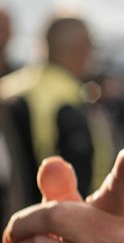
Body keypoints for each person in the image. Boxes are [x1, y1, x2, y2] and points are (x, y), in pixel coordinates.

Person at [0, 16, 112, 204]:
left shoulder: (8, 87)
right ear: (82, 49)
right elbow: (80, 180)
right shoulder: (68, 101)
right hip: (55, 222)